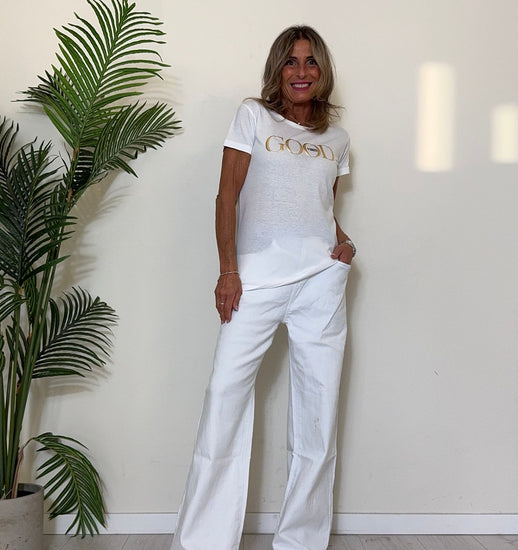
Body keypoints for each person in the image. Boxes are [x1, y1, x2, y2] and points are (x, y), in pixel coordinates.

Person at [171, 25, 355, 550]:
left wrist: (344, 243)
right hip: (255, 278)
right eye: (291, 61)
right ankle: (203, 542)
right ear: (278, 69)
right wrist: (229, 271)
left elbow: (317, 207)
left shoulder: (337, 138)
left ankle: (301, 541)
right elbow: (226, 196)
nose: (301, 71)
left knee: (318, 414)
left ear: (323, 71)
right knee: (224, 399)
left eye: (311, 61)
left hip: (321, 281)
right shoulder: (253, 115)